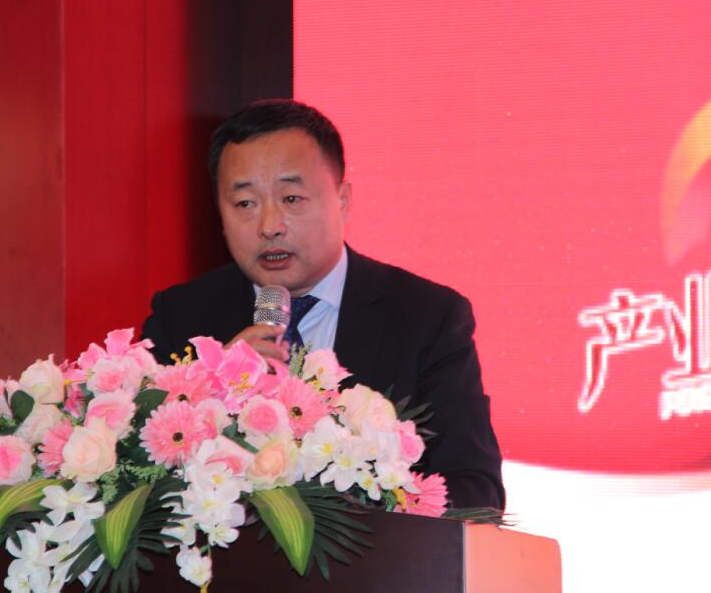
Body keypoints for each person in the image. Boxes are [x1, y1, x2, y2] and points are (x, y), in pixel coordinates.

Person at [140, 99, 504, 509]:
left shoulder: (426, 318)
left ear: (342, 200)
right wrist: (211, 393)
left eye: (292, 199)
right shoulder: (181, 316)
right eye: (245, 204)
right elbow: (136, 479)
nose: (269, 226)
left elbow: (476, 492)